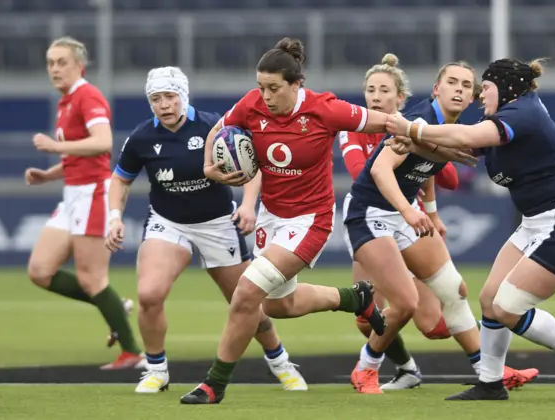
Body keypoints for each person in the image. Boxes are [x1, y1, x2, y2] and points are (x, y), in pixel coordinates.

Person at [179, 37, 475, 405]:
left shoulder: (326, 109)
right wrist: (210, 166)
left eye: (274, 88)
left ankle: (213, 384)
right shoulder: (251, 104)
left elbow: (388, 122)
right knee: (275, 306)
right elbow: (217, 132)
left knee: (245, 295)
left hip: (309, 221)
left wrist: (439, 141)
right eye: (261, 87)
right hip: (272, 215)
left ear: (296, 84)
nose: (266, 96)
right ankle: (354, 299)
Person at [386, 58, 555, 400]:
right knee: (489, 299)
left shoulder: (523, 112)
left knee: (507, 307)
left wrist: (411, 129)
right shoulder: (508, 115)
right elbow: (460, 149)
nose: (478, 96)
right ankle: (490, 383)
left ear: (506, 88)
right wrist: (413, 144)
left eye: (484, 89)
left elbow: (466, 134)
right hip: (536, 222)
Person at [340, 55, 539, 392]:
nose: (458, 90)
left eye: (466, 86)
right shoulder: (416, 119)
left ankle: (490, 370)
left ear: (473, 96)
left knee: (454, 291)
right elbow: (378, 170)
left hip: (404, 212)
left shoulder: (446, 129)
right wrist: (409, 211)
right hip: (370, 213)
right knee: (403, 304)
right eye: (452, 83)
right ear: (436, 89)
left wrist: (430, 211)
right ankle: (366, 368)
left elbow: (427, 169)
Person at [105, 66, 308, 393]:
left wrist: (246, 206)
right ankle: (157, 371)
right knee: (149, 294)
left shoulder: (216, 125)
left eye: (170, 96)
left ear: (183, 96)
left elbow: (253, 167)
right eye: (156, 99)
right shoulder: (143, 137)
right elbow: (120, 179)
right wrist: (114, 216)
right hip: (168, 222)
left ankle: (279, 360)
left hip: (218, 224)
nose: (164, 104)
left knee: (246, 303)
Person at [24, 36, 143, 370]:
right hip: (73, 193)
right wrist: (49, 175)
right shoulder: (65, 103)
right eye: (50, 62)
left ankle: (133, 352)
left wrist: (55, 147)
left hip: (94, 193)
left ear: (80, 65)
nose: (55, 68)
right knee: (40, 271)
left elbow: (103, 142)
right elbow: (82, 153)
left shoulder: (87, 96)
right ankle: (115, 305)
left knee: (92, 278)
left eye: (62, 62)